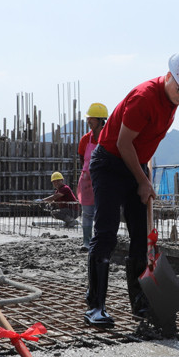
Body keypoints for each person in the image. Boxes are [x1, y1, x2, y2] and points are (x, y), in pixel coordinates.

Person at [85, 48, 179, 328]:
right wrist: (141, 180)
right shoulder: (145, 97)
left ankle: (141, 303)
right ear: (168, 76)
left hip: (136, 164)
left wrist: (145, 177)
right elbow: (123, 143)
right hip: (109, 162)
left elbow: (146, 146)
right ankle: (96, 305)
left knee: (141, 236)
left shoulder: (173, 101)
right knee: (105, 232)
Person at [77, 103, 108, 250]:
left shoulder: (108, 138)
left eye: (92, 119)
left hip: (104, 180)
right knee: (87, 213)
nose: (89, 121)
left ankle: (99, 241)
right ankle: (86, 241)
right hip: (87, 181)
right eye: (88, 118)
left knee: (102, 213)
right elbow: (82, 159)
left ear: (101, 120)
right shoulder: (85, 140)